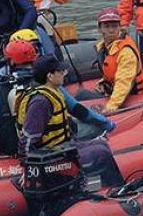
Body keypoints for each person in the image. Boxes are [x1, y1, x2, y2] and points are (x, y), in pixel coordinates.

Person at [17, 56, 122, 188]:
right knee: (101, 153)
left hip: (63, 147)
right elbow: (27, 139)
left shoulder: (53, 92)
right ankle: (115, 188)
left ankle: (112, 188)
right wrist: (28, 169)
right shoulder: (41, 102)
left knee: (101, 144)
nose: (64, 74)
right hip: (51, 156)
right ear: (50, 75)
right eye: (60, 71)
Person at [95, 7, 143, 115]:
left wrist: (111, 106)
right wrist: (102, 83)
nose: (111, 30)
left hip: (134, 95)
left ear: (119, 27)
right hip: (112, 90)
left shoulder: (126, 51)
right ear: (100, 28)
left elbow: (123, 82)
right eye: (106, 26)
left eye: (114, 26)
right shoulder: (104, 47)